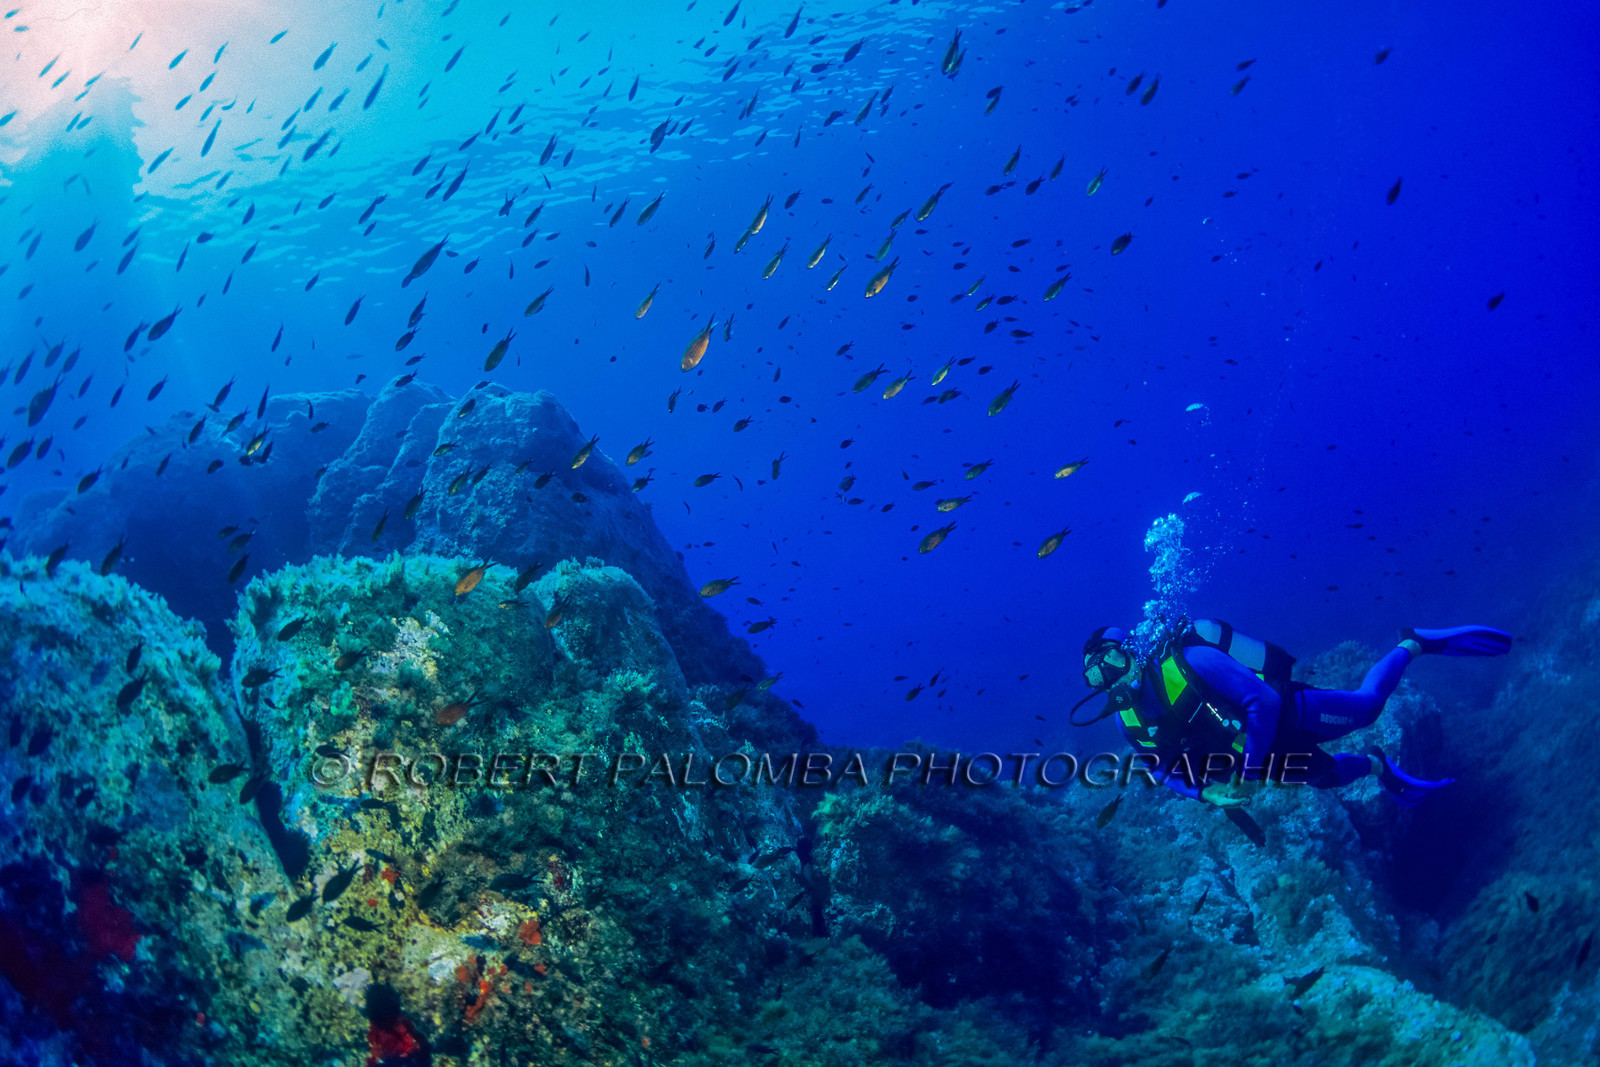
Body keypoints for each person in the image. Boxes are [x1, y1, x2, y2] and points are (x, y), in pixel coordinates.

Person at [1072, 620, 1512, 806]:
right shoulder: (1124, 720)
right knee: (1326, 778)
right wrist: (1204, 794)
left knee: (1368, 708)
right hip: (1263, 761)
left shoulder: (1190, 664)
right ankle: (1378, 764)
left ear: (1133, 654)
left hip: (1290, 716)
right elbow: (1161, 769)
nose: (1109, 680)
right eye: (1096, 677)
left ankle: (1414, 642)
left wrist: (1246, 771)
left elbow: (1263, 701)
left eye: (1111, 663)